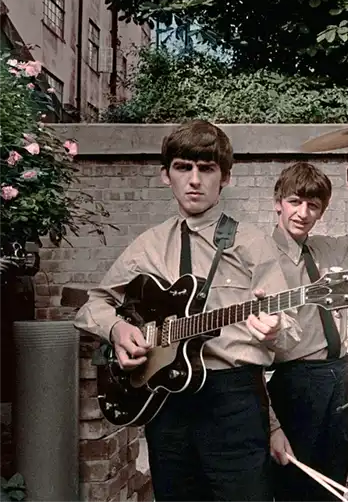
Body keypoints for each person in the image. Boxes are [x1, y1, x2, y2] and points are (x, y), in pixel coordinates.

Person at [74, 120, 301, 502]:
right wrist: (116, 330)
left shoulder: (252, 244)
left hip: (234, 401)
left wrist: (275, 327)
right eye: (183, 167)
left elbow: (290, 326)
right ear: (166, 176)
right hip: (167, 402)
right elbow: (93, 304)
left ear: (224, 177)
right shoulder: (148, 245)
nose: (194, 180)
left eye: (207, 169)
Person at [266, 160, 348, 501]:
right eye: (295, 202)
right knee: (295, 485)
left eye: (313, 206)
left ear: (321, 211)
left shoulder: (328, 248)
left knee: (333, 482)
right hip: (295, 381)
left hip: (339, 375)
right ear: (278, 201)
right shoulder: (258, 256)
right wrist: (271, 423)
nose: (303, 213)